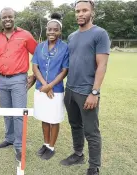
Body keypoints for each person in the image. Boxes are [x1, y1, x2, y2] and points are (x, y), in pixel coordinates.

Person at [59, 1, 110, 175]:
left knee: (91, 131)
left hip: (87, 91)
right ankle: (78, 154)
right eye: (77, 11)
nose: (80, 14)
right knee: (75, 125)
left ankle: (94, 167)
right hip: (70, 90)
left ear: (92, 12)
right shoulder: (72, 36)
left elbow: (102, 65)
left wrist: (94, 92)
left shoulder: (100, 34)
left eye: (84, 10)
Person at [0, 7, 37, 162]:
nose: (7, 19)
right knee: (7, 113)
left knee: (18, 114)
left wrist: (35, 76)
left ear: (14, 17)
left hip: (19, 79)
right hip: (1, 80)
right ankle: (9, 138)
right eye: (4, 17)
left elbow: (37, 55)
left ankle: (19, 145)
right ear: (1, 19)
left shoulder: (25, 35)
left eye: (10, 16)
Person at [32, 13, 69, 160]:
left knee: (53, 119)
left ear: (60, 31)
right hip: (41, 89)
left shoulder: (65, 47)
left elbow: (64, 70)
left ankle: (52, 147)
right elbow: (35, 67)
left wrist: (51, 86)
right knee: (44, 118)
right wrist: (45, 85)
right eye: (49, 29)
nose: (52, 32)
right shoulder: (39, 46)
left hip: (56, 90)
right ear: (46, 30)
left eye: (55, 30)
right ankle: (46, 143)